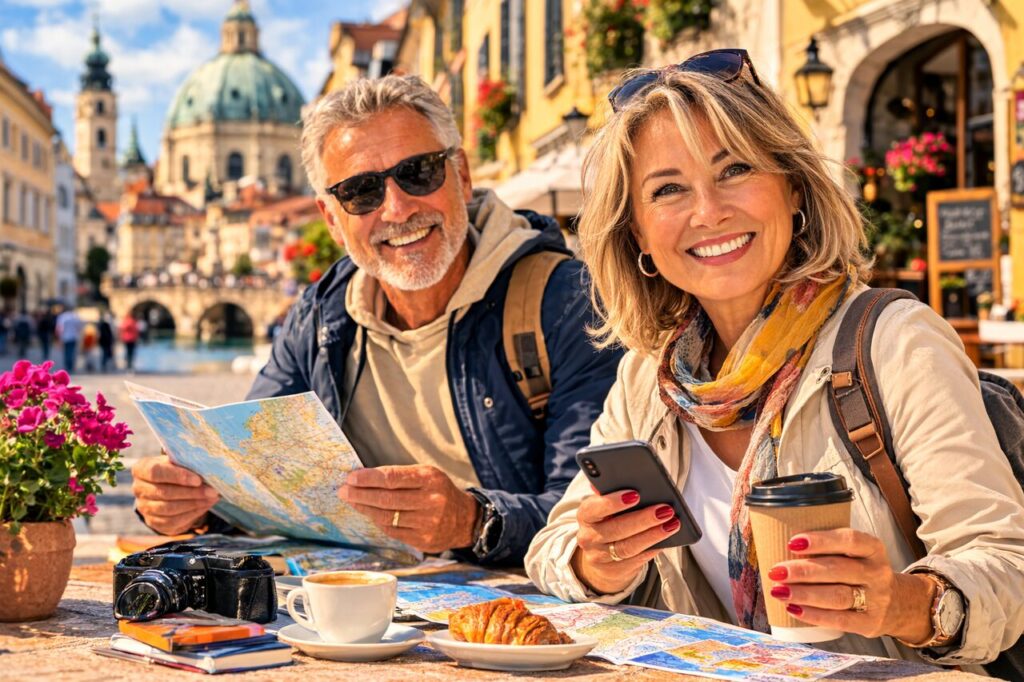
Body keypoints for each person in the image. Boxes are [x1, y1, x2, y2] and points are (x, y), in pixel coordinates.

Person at [525, 51, 1024, 670]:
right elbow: (554, 546)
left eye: (734, 169)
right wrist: (595, 563)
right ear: (639, 237)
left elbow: (1006, 565)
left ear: (793, 188)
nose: (708, 211)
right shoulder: (648, 379)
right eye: (668, 189)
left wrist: (901, 602)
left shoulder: (895, 342)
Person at [131, 75, 623, 565]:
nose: (397, 208)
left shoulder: (568, 303)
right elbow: (255, 477)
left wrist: (475, 522)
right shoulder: (320, 318)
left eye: (419, 172)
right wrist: (189, 503)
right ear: (331, 219)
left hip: (523, 603)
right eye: (361, 192)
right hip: (362, 601)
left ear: (462, 175)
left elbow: (596, 518)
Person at [55, 305, 83, 373]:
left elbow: (59, 328)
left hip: (65, 337)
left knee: (66, 352)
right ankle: (71, 366)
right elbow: (79, 327)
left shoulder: (62, 317)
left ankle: (67, 366)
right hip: (74, 337)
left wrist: (58, 338)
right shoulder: (75, 316)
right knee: (72, 352)